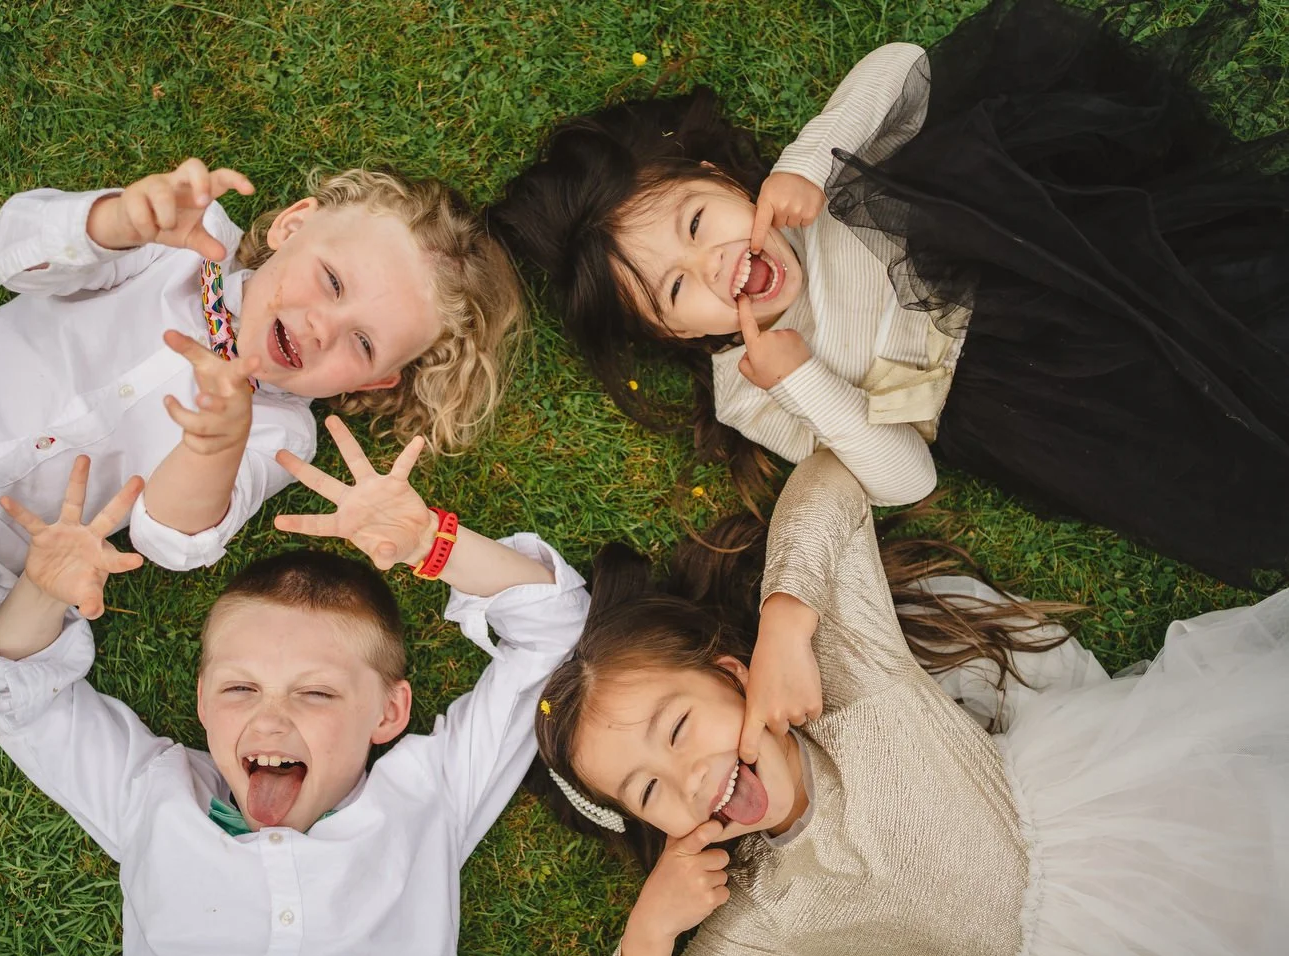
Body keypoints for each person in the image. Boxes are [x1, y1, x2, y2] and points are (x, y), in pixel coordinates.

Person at [489, 0, 1289, 587]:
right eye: (674, 289)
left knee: (1228, 285)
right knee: (1202, 417)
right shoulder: (750, 391)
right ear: (670, 336)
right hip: (1022, 392)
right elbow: (908, 478)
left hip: (1036, 246)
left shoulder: (805, 194)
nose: (714, 266)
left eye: (699, 222)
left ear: (718, 177)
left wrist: (811, 160)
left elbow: (903, 63)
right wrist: (805, 376)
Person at [531, 449, 1289, 956]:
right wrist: (648, 939)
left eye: (677, 730)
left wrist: (787, 624)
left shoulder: (847, 679)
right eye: (650, 792)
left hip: (1112, 821)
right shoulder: (771, 917)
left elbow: (828, 480)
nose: (689, 777)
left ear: (735, 677)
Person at [0, 160, 523, 678]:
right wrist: (116, 221)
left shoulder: (279, 433)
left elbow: (170, 540)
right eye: (331, 280)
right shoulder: (181, 241)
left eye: (362, 343)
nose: (323, 325)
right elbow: (9, 255)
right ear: (294, 226)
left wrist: (215, 441)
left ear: (378, 378)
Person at [0, 417, 589, 956]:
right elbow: (21, 698)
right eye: (240, 689)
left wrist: (430, 541)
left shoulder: (431, 796)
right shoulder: (152, 798)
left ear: (388, 713)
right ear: (203, 701)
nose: (269, 720)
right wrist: (42, 589)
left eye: (316, 692)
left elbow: (555, 635)